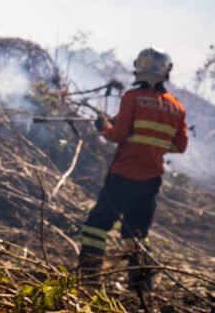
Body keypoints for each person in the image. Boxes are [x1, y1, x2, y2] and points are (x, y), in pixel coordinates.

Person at [78, 47, 189, 293]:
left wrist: (103, 128)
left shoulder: (133, 97)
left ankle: (88, 280)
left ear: (139, 67)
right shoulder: (176, 108)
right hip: (151, 180)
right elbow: (180, 145)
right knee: (136, 234)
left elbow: (118, 135)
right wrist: (149, 144)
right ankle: (141, 289)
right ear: (165, 71)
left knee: (97, 225)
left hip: (122, 175)